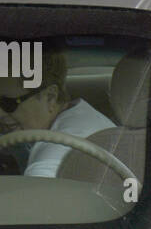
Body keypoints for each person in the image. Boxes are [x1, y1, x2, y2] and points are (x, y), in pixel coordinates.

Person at [0, 48, 114, 178]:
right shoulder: (82, 115)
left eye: (7, 103)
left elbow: (34, 194)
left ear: (50, 97)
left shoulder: (52, 158)